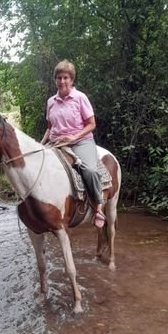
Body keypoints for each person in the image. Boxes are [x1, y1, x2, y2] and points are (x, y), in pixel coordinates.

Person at [40, 60, 105, 228]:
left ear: (72, 80)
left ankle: (98, 206)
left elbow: (92, 124)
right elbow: (50, 127)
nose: (62, 81)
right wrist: (40, 145)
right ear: (55, 80)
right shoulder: (51, 102)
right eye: (59, 78)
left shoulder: (80, 98)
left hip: (80, 141)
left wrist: (73, 137)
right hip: (55, 142)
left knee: (90, 170)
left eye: (65, 78)